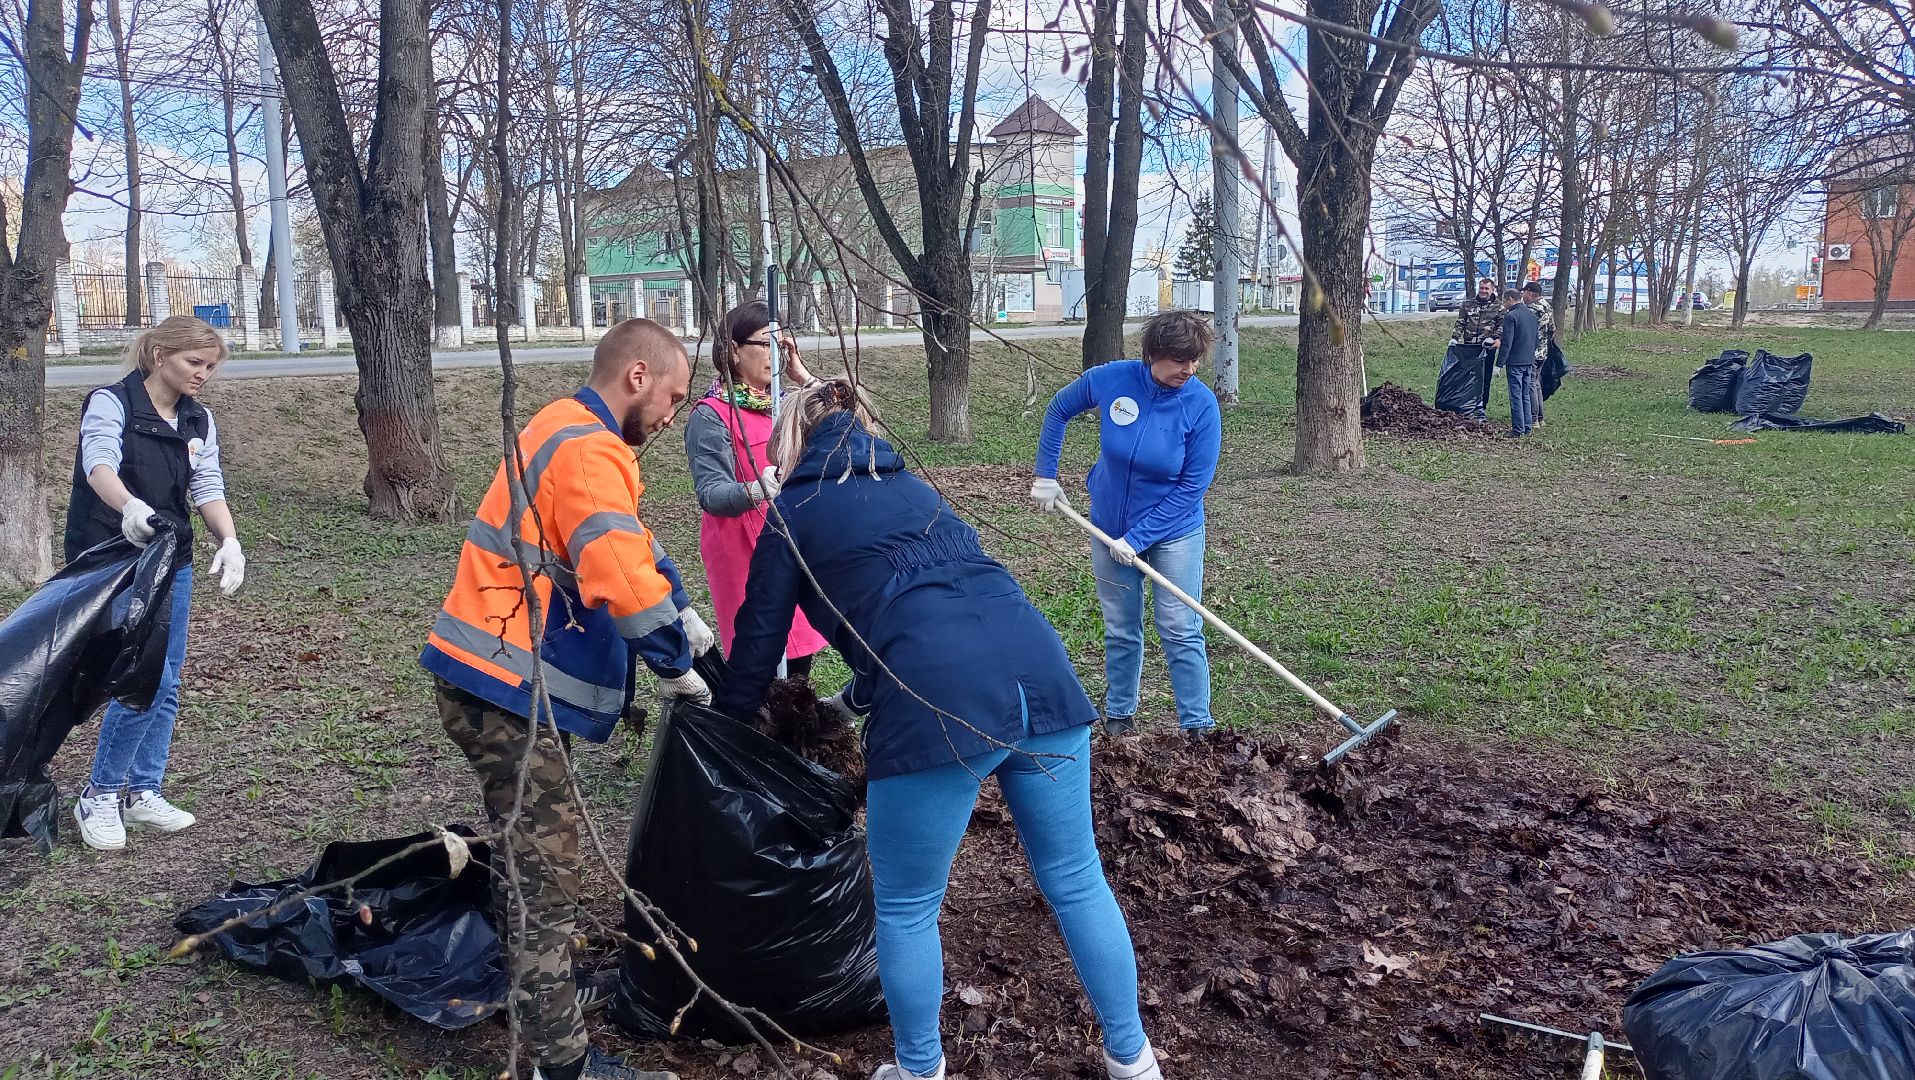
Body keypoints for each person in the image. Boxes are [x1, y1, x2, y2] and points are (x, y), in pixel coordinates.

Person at [713, 380, 1167, 1080]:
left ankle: (919, 1068)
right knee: (1076, 880)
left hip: (937, 702)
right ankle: (1133, 1060)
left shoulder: (792, 514)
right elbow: (926, 595)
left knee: (904, 905)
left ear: (788, 443)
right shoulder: (921, 493)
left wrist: (723, 738)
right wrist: (853, 695)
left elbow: (756, 648)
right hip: (1040, 675)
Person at [420, 319, 704, 1080]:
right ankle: (559, 1062)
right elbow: (616, 567)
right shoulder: (585, 446)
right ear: (637, 377)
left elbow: (629, 539)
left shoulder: (566, 426)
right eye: (673, 396)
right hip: (504, 686)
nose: (673, 416)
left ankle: (544, 1000)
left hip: (501, 680)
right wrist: (673, 659)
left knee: (537, 860)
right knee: (546, 872)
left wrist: (681, 606)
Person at [65, 315, 247, 852]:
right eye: (195, 362)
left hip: (172, 557)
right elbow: (98, 464)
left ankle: (141, 791)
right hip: (113, 555)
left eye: (211, 367)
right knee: (146, 677)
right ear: (159, 354)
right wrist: (130, 509)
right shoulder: (112, 402)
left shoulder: (198, 419)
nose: (203, 375)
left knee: (168, 676)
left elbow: (207, 484)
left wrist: (228, 539)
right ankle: (99, 794)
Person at [1028, 310, 1222, 742]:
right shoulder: (1112, 379)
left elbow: (1192, 487)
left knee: (1178, 626)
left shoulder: (1201, 405)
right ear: (1152, 354)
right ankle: (1119, 714)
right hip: (1107, 526)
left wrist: (1138, 539)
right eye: (1178, 360)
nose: (1188, 370)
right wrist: (1046, 474)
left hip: (1175, 533)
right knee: (1121, 626)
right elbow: (1059, 409)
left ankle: (1197, 725)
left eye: (1194, 361)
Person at [683, 301, 829, 675]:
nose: (775, 355)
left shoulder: (785, 404)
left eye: (782, 345)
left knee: (799, 661)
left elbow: (843, 419)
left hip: (791, 547)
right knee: (762, 660)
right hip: (743, 553)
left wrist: (804, 378)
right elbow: (711, 492)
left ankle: (793, 731)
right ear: (733, 349)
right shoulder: (711, 415)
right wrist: (755, 489)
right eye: (765, 344)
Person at [1449, 278, 1503, 422]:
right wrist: (1454, 337)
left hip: (1487, 348)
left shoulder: (1499, 306)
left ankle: (1481, 408)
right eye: (1482, 288)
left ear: (1492, 290)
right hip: (1469, 347)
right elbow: (1461, 322)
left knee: (1484, 378)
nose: (1483, 291)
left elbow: (1502, 325)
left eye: (1487, 288)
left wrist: (1494, 337)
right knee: (1467, 377)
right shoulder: (1468, 304)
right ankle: (1466, 406)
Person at [1498, 289, 1540, 438]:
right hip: (1529, 360)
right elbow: (1536, 340)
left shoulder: (1510, 316)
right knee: (1525, 395)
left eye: (1504, 301)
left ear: (1510, 299)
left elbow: (1506, 342)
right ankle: (1527, 426)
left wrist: (1499, 364)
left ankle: (1517, 429)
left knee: (1515, 395)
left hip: (1515, 362)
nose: (1504, 304)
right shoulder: (1531, 315)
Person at [1522, 281, 1554, 428]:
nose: (1523, 296)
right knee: (1536, 384)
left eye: (1524, 293)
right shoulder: (1547, 306)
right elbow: (1553, 329)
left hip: (1532, 351)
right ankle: (1541, 418)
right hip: (1543, 352)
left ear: (1529, 293)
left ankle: (1533, 418)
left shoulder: (1531, 309)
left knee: (1530, 385)